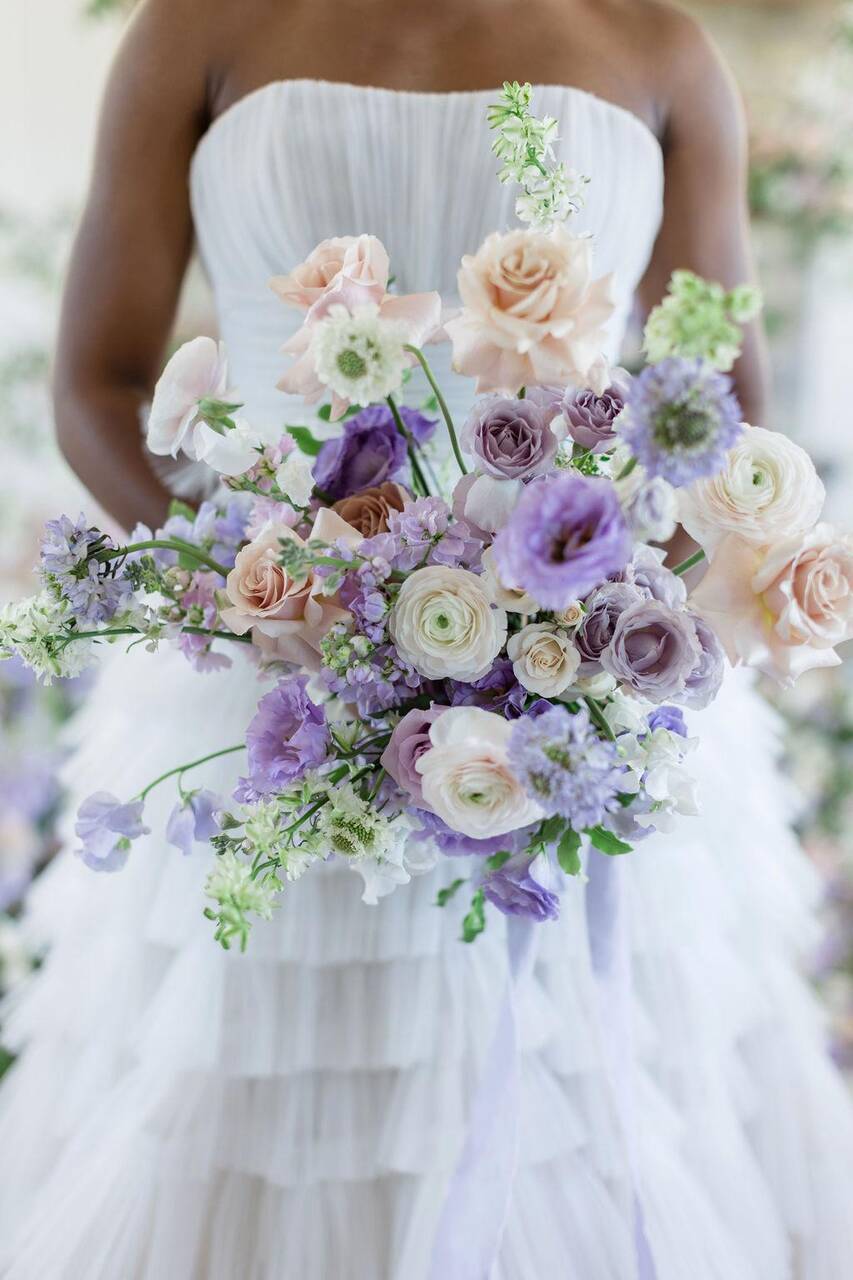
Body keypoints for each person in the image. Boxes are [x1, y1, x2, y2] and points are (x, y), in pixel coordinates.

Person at [2, 1, 851, 1276]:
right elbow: (98, 383)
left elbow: (716, 410)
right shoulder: (194, 28)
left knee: (595, 1115)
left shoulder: (662, 45)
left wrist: (579, 640)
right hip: (257, 688)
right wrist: (265, 593)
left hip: (577, 690)